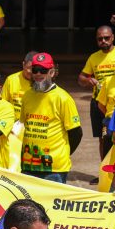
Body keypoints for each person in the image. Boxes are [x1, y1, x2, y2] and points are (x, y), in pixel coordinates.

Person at [19, 53, 82, 183]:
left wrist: (62, 153)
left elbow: (76, 133)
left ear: (52, 73)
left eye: (43, 70)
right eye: (35, 70)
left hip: (54, 169)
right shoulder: (27, 96)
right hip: (28, 165)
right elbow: (23, 126)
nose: (38, 74)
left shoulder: (63, 98)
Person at [78, 26, 115, 162]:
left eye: (106, 38)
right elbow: (81, 78)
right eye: (100, 39)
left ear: (113, 37)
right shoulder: (93, 57)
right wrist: (88, 80)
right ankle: (104, 169)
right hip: (98, 102)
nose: (103, 41)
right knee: (103, 138)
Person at [2, 51, 36, 121]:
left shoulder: (41, 82)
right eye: (29, 67)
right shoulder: (11, 79)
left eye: (34, 69)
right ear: (23, 64)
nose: (30, 71)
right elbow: (2, 103)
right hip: (13, 121)